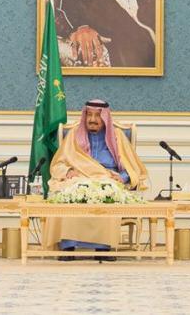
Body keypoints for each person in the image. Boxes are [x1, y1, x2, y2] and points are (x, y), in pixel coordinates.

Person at [44, 100, 148, 255]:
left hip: (107, 178)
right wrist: (67, 171)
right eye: (89, 115)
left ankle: (103, 246)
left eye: (97, 116)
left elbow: (133, 167)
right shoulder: (74, 135)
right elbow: (58, 164)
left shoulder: (117, 136)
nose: (92, 119)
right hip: (79, 177)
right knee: (70, 193)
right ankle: (68, 245)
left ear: (105, 118)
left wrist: (123, 177)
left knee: (108, 192)